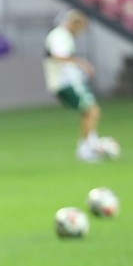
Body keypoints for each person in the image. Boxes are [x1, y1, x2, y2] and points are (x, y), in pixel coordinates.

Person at [43, 9, 103, 162]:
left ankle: (91, 145)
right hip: (65, 82)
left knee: (88, 112)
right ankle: (86, 149)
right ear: (74, 24)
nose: (80, 31)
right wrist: (81, 63)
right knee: (91, 110)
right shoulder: (59, 35)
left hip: (69, 81)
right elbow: (58, 56)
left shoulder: (62, 35)